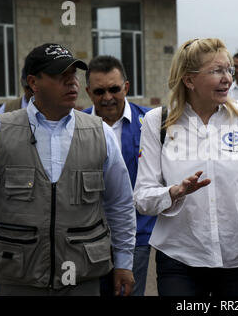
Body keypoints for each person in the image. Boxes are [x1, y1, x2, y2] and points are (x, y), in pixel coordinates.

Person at [133, 38, 238, 296]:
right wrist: (174, 192)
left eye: (229, 70)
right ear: (189, 80)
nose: (228, 79)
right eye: (217, 71)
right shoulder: (157, 122)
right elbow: (142, 198)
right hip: (179, 258)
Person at [0, 43, 136, 296]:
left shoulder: (100, 132)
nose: (73, 84)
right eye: (61, 76)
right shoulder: (1, 131)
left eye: (74, 76)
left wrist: (124, 262)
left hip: (81, 278)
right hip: (19, 277)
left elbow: (120, 204)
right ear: (33, 83)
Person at [83, 55, 156, 296]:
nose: (107, 97)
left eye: (114, 89)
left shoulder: (151, 124)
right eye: (99, 91)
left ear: (126, 86)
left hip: (137, 235)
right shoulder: (74, 126)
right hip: (87, 238)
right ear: (88, 91)